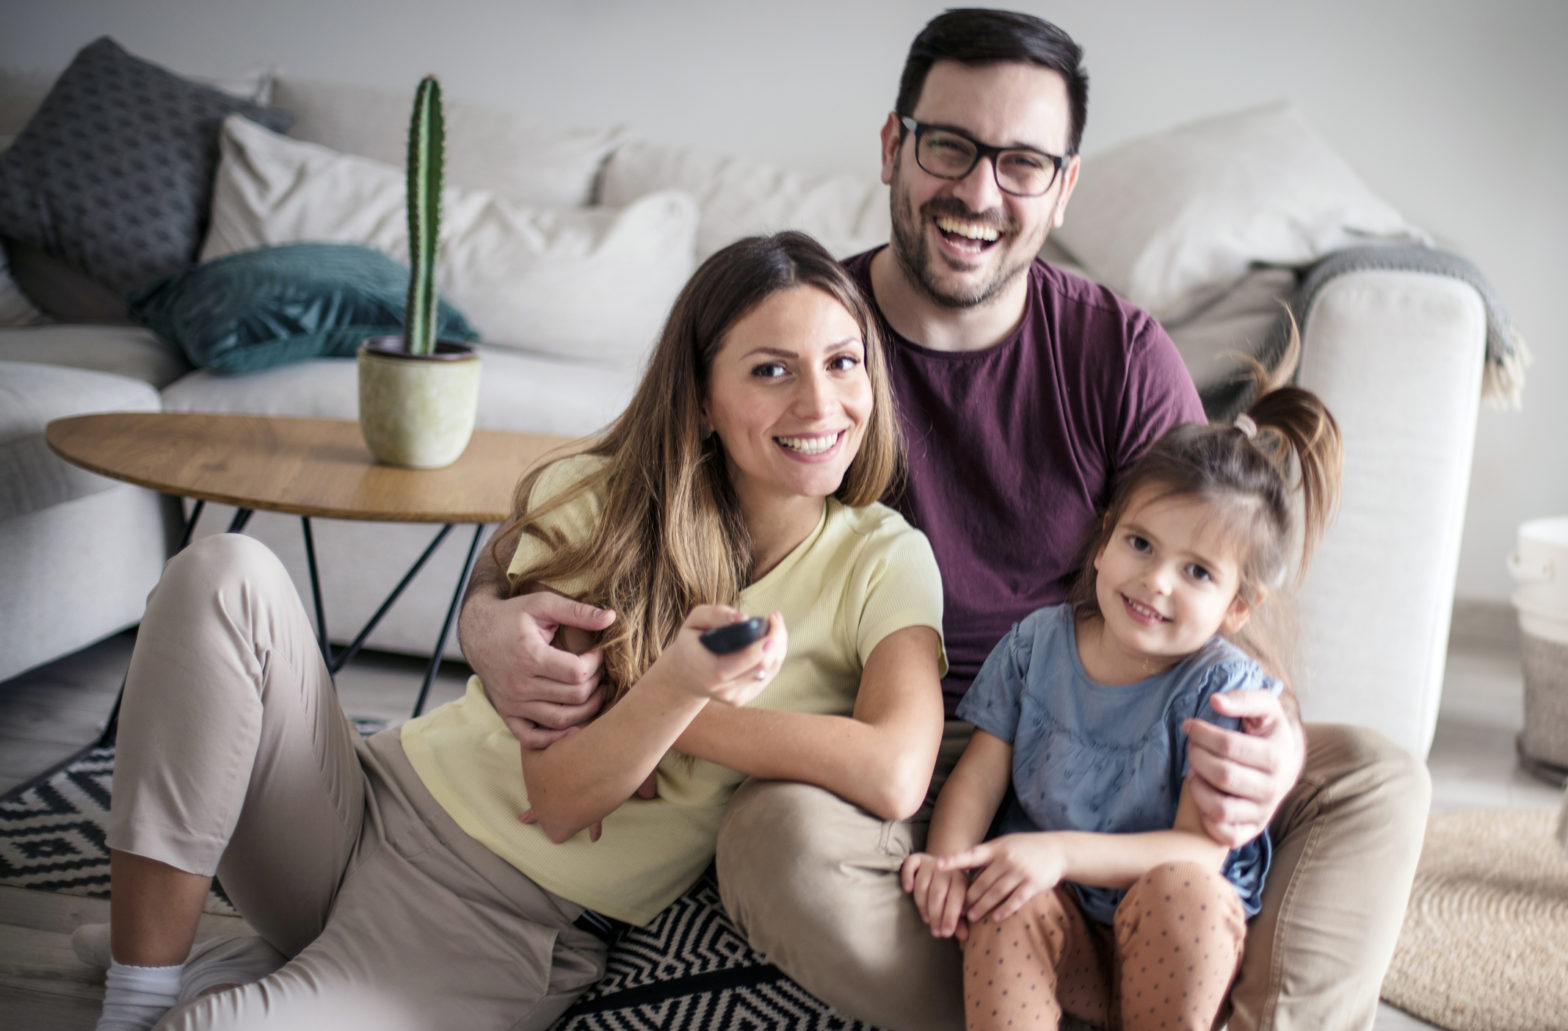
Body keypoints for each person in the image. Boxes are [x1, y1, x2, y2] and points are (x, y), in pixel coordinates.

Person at [461, 10, 1430, 1031]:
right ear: (892, 145)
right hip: (907, 770)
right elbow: (613, 490)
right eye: (949, 146)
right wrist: (485, 619)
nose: (976, 192)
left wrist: (1267, 734)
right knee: (770, 839)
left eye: (1020, 163)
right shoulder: (808, 336)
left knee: (1377, 779)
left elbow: (1211, 578)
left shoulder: (1117, 352)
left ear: (1061, 189)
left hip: (1126, 733)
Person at [83, 231, 947, 1031]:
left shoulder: (882, 559)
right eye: (771, 370)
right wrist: (671, 689)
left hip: (498, 922)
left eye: (843, 362)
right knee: (221, 573)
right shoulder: (597, 499)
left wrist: (671, 697)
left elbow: (896, 771)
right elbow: (562, 782)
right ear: (703, 399)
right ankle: (142, 987)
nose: (821, 401)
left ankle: (265, 975)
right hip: (363, 802)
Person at [904, 334, 1344, 1030]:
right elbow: (980, 776)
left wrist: (1056, 851)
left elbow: (1198, 849)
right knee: (1002, 896)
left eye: (1198, 571)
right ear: (1105, 540)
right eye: (1141, 544)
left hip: (1170, 935)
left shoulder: (1221, 690)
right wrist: (949, 859)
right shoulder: (1038, 643)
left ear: (1237, 607)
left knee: (1185, 892)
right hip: (1060, 923)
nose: (1156, 581)